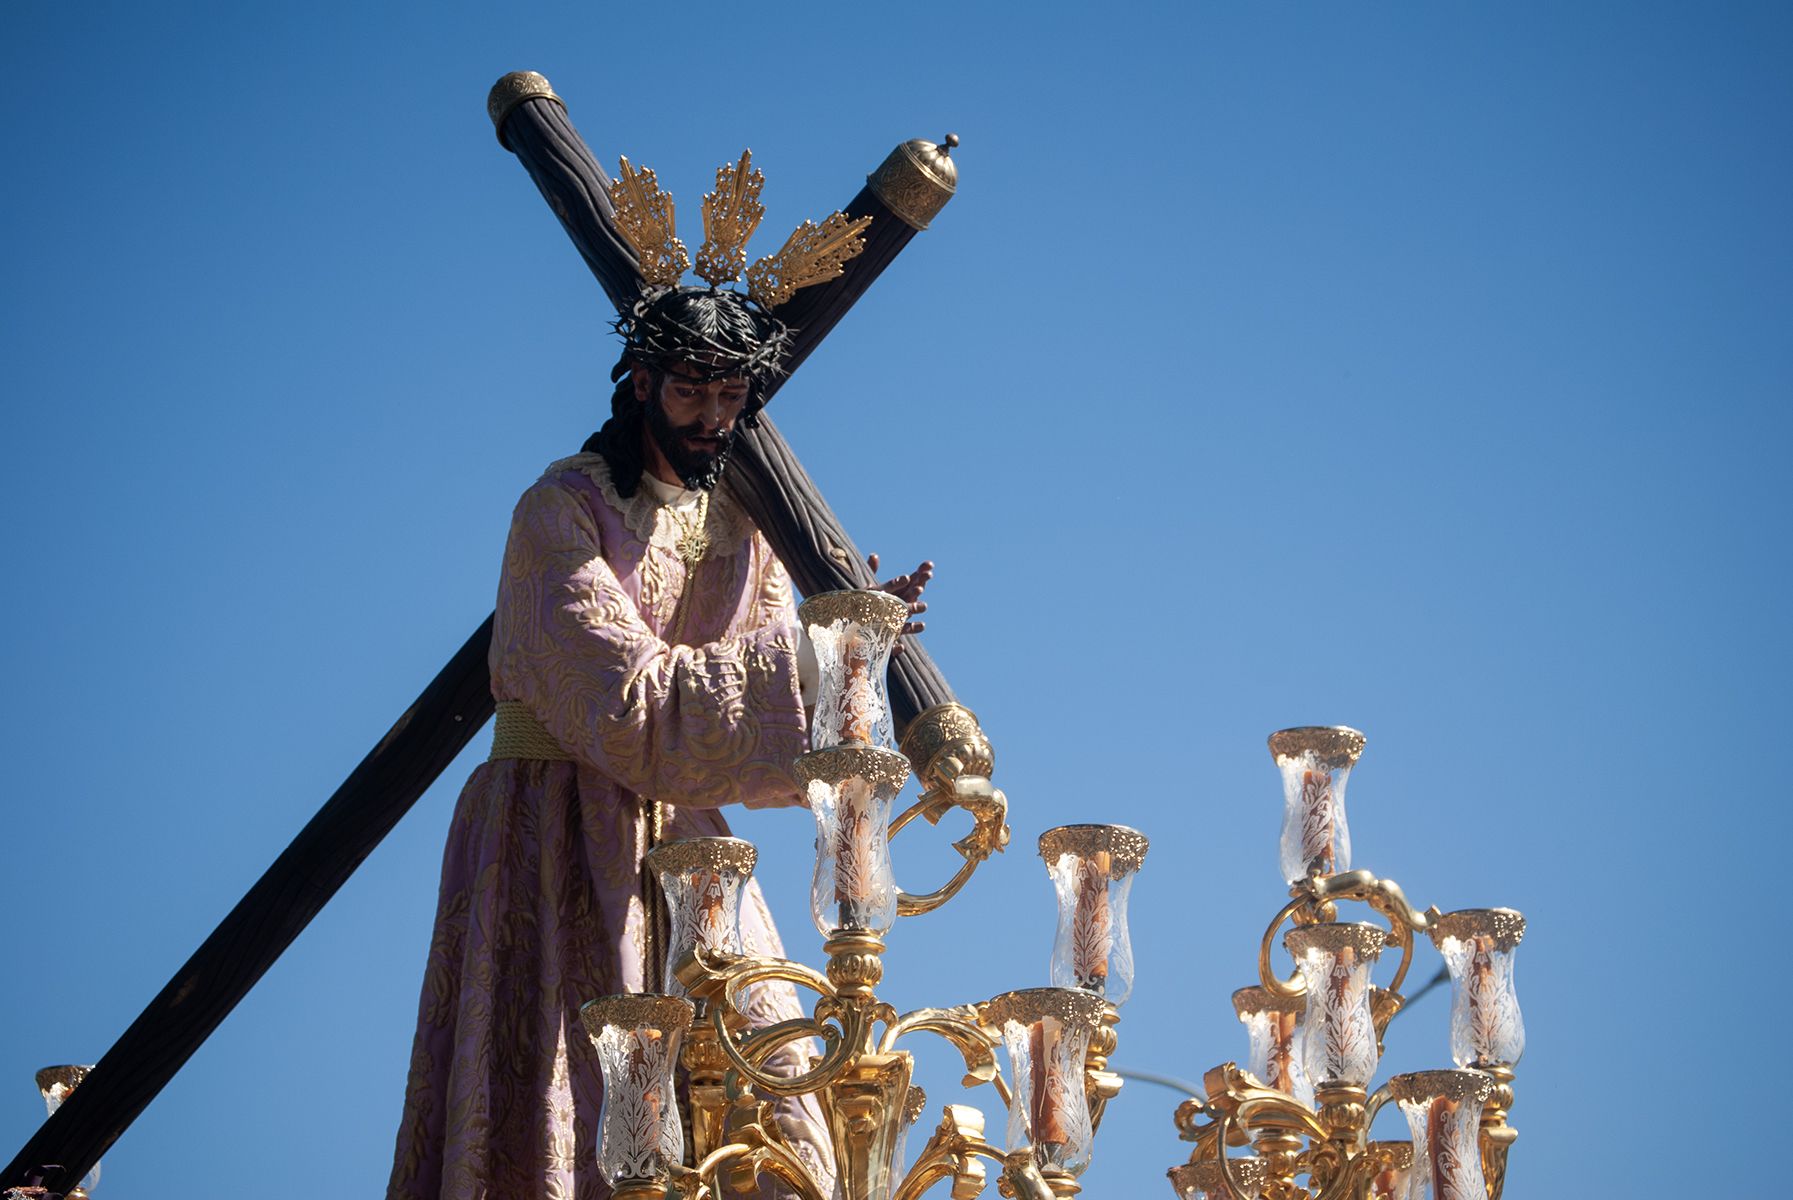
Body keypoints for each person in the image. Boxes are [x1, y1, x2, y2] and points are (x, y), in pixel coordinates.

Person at [386, 283, 930, 1200]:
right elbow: (625, 701)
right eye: (689, 391)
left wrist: (851, 656)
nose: (711, 418)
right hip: (552, 829)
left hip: (690, 846)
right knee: (566, 1103)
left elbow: (766, 736)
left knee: (776, 1104)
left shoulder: (749, 528)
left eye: (730, 396)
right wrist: (816, 649)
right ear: (640, 383)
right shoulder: (558, 510)